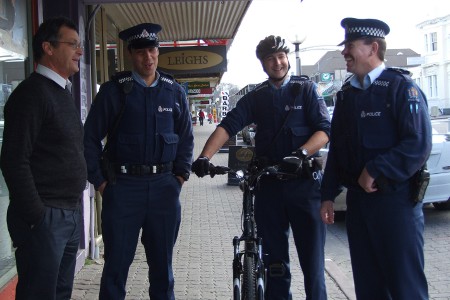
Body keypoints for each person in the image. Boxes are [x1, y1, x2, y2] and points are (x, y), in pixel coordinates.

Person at [192, 35, 330, 299]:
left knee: (313, 265)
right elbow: (228, 125)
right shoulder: (258, 97)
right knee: (274, 264)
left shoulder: (306, 90)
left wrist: (300, 153)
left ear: (287, 58)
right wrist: (205, 157)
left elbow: (325, 131)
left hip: (304, 187)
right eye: (270, 59)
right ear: (263, 64)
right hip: (270, 190)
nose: (277, 63)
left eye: (281, 56)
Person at [320, 18, 431, 299]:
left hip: (397, 206)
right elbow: (338, 151)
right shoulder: (346, 95)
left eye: (350, 46)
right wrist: (327, 195)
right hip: (359, 207)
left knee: (406, 289)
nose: (345, 52)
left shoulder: (401, 88)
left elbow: (418, 144)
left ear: (373, 47)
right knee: (369, 289)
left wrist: (375, 168)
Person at [83, 23, 193, 300]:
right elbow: (89, 139)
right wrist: (101, 182)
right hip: (123, 189)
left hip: (164, 189)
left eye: (152, 50)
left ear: (158, 52)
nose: (148, 57)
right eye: (141, 51)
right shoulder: (113, 92)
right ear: (131, 53)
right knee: (116, 268)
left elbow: (186, 139)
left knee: (162, 269)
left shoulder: (174, 92)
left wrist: (179, 177)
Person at [0, 17, 86, 300]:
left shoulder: (62, 93)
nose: (80, 51)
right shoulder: (30, 95)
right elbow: (14, 160)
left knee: (60, 293)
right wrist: (37, 216)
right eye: (72, 44)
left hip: (69, 214)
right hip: (45, 218)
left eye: (80, 45)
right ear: (48, 48)